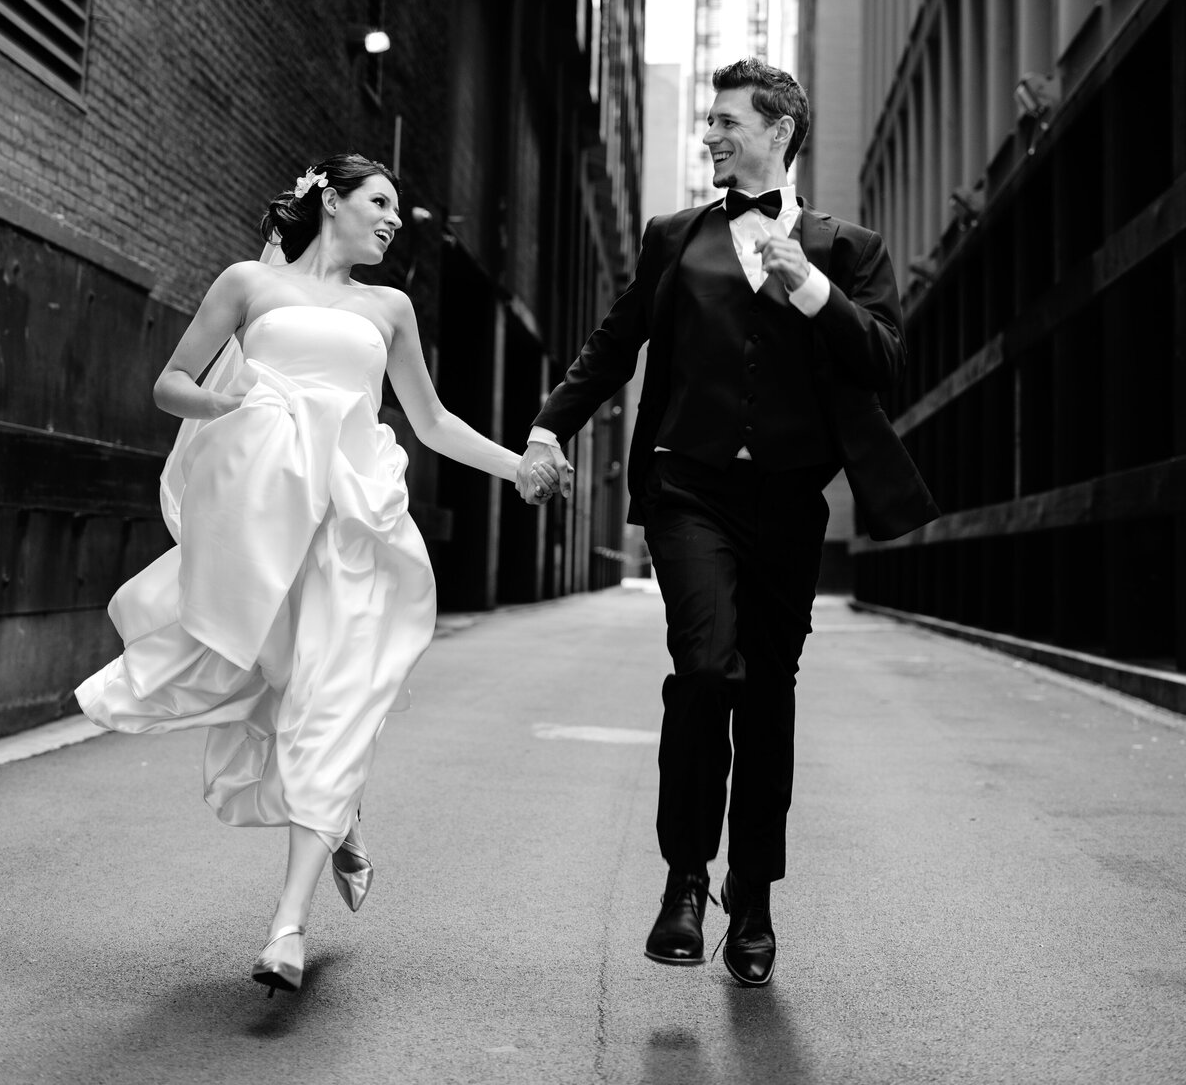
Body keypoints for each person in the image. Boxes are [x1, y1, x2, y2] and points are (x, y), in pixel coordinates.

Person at [77, 153, 560, 997]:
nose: (391, 219)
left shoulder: (391, 307)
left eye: (397, 209)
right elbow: (170, 383)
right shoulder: (246, 285)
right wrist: (224, 405)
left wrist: (515, 463)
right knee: (285, 693)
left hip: (352, 529)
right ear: (329, 202)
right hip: (263, 524)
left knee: (332, 706)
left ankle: (287, 927)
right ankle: (340, 815)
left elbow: (433, 419)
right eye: (378, 201)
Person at [514, 59, 938, 987]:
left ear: (780, 131)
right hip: (690, 491)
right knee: (706, 669)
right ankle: (682, 878)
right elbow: (615, 342)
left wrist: (814, 289)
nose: (710, 133)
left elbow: (887, 361)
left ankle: (753, 899)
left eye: (727, 120)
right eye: (708, 119)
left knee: (769, 695)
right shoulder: (675, 236)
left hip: (790, 502)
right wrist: (547, 426)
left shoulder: (849, 248)